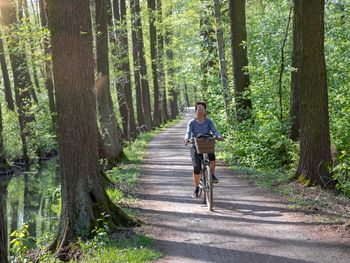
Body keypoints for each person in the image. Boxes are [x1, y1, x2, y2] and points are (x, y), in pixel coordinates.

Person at [184, 102, 224, 198]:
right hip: (195, 145)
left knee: (212, 158)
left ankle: (212, 175)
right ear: (196, 111)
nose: (200, 111)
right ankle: (197, 188)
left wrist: (219, 136)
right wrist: (186, 139)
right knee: (196, 168)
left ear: (205, 111)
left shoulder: (209, 122)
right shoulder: (192, 122)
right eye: (198, 109)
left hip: (207, 144)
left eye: (202, 109)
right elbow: (188, 132)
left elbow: (214, 131)